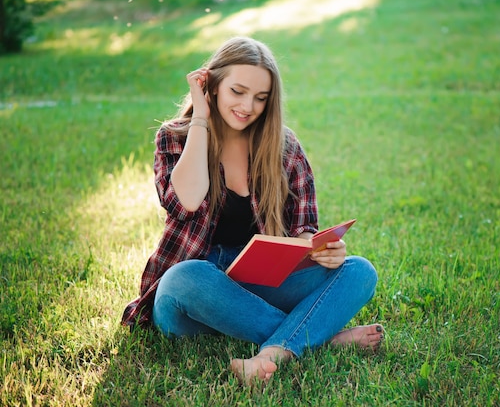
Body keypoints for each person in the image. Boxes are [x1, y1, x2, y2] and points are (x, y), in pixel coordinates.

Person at [121, 36, 384, 384]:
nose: (248, 106)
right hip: (194, 298)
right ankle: (317, 338)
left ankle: (275, 350)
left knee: (359, 272)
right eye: (238, 92)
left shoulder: (284, 147)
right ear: (212, 86)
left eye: (261, 98)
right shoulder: (176, 137)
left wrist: (322, 252)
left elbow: (303, 231)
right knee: (183, 278)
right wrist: (201, 116)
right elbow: (185, 201)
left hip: (256, 285)